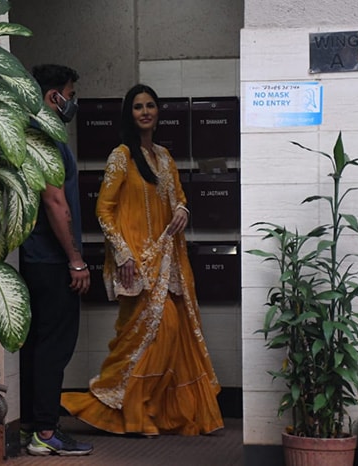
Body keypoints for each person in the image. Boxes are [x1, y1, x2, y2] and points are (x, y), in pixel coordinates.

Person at [61, 84, 224, 436]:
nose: (145, 112)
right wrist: (123, 254)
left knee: (170, 332)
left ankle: (146, 411)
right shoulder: (122, 156)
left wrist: (182, 209)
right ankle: (128, 411)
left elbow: (179, 197)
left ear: (158, 112)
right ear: (129, 114)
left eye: (151, 105)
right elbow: (104, 210)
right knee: (151, 332)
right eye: (138, 107)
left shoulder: (164, 157)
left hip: (168, 262)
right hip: (136, 263)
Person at [18, 64, 93, 456]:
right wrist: (75, 260)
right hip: (50, 260)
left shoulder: (30, 134)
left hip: (35, 258)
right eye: (70, 93)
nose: (73, 102)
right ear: (54, 97)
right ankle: (46, 434)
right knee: (54, 346)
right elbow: (55, 201)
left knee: (37, 344)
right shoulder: (47, 139)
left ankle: (33, 423)